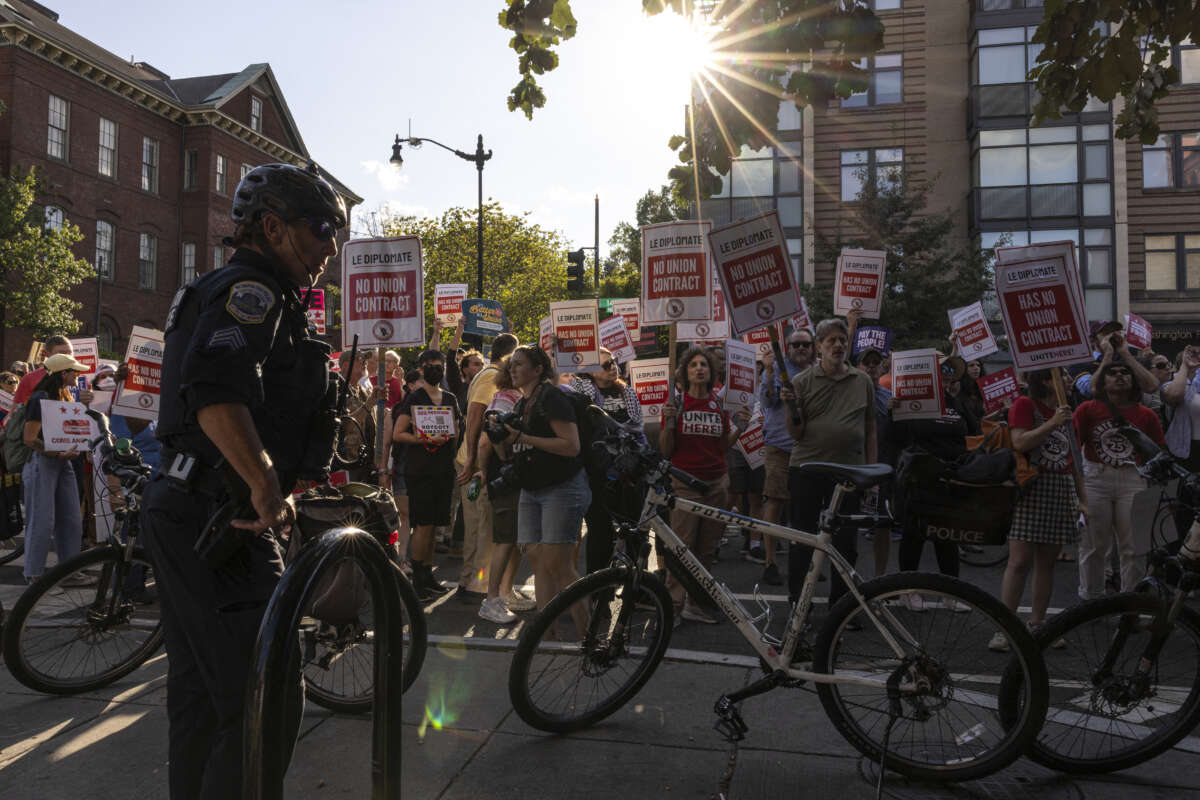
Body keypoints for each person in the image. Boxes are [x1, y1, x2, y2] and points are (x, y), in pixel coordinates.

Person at [142, 162, 345, 799]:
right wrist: (264, 484)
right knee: (267, 696)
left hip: (192, 505)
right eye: (319, 229)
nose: (329, 248)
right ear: (273, 227)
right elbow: (216, 393)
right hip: (222, 515)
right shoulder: (248, 292)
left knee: (204, 697)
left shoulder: (266, 295)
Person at [992, 369, 1086, 650]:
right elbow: (1020, 441)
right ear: (1046, 381)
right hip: (1032, 489)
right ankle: (1004, 628)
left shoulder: (1068, 412)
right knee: (1019, 562)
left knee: (1047, 563)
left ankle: (1038, 624)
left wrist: (1084, 500)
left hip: (1061, 487)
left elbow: (1074, 460)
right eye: (1063, 377)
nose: (1068, 382)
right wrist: (1053, 422)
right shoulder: (1025, 405)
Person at [785, 318, 876, 612]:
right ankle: (800, 605)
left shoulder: (862, 381)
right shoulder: (801, 382)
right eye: (831, 341)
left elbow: (870, 427)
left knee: (846, 543)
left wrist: (871, 471)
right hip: (806, 471)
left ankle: (842, 606)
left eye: (842, 340)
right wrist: (791, 408)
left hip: (849, 472)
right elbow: (795, 433)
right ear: (820, 348)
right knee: (803, 539)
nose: (838, 345)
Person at [659, 346, 750, 623]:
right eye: (693, 365)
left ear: (711, 373)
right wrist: (670, 422)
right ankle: (672, 605)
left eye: (704, 365)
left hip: (716, 485)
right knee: (681, 547)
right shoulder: (676, 403)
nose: (699, 368)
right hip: (685, 485)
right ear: (685, 372)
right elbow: (665, 450)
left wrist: (740, 430)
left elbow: (722, 448)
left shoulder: (718, 405)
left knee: (707, 548)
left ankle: (696, 604)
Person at [501, 345, 591, 611]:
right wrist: (498, 436)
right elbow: (513, 448)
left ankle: (589, 638)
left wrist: (523, 437)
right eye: (511, 364)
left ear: (538, 370)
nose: (512, 369)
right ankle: (546, 636)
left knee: (559, 566)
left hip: (560, 487)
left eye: (519, 364)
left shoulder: (552, 398)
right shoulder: (520, 403)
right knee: (538, 561)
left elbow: (571, 446)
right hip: (531, 488)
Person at [1075, 361, 1165, 598]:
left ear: (1133, 380)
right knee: (1093, 545)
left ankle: (1130, 603)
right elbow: (1074, 446)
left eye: (1125, 372)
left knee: (1134, 547)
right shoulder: (1087, 409)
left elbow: (1159, 450)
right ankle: (1090, 599)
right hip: (1095, 478)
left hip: (1134, 478)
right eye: (1112, 373)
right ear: (1102, 382)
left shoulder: (1146, 415)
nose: (1119, 377)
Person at [566, 346, 645, 573]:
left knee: (634, 529)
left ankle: (635, 587)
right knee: (600, 533)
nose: (614, 368)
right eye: (606, 364)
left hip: (627, 471)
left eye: (614, 362)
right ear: (590, 371)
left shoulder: (626, 392)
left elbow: (636, 429)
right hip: (597, 473)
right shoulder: (583, 392)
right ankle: (598, 591)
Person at [390, 349, 461, 600]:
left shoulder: (450, 398)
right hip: (419, 470)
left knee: (435, 526)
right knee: (423, 525)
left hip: (443, 469)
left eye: (438, 364)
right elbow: (398, 433)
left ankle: (428, 574)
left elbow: (456, 427)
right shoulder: (415, 398)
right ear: (421, 368)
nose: (435, 368)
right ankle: (418, 580)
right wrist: (424, 438)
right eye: (430, 364)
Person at [454, 333, 520, 601]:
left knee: (480, 524)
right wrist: (471, 460)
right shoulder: (492, 376)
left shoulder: (488, 374)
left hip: (477, 460)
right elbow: (474, 417)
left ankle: (473, 582)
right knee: (483, 525)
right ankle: (475, 586)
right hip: (478, 462)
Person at [474, 355, 535, 623]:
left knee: (512, 539)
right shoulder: (503, 399)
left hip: (515, 476)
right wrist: (490, 468)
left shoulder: (518, 397)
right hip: (506, 477)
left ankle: (506, 591)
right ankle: (491, 601)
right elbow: (487, 440)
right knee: (504, 540)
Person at [20, 353, 89, 582]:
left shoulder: (64, 395)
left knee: (71, 518)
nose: (77, 376)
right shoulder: (40, 397)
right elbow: (29, 438)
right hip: (42, 463)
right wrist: (59, 452)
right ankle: (33, 574)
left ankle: (68, 571)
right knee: (41, 520)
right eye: (74, 371)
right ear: (63, 374)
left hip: (63, 462)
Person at [755, 328, 815, 585]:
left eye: (806, 344)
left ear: (813, 347)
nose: (801, 348)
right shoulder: (778, 368)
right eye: (796, 345)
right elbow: (767, 403)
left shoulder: (818, 372)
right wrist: (769, 373)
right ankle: (770, 562)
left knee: (806, 509)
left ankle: (805, 562)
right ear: (788, 348)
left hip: (810, 448)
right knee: (776, 503)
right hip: (780, 447)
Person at [1163, 345, 1200, 541]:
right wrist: (1186, 368)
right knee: (1183, 511)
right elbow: (1174, 396)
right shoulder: (1169, 385)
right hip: (1183, 456)